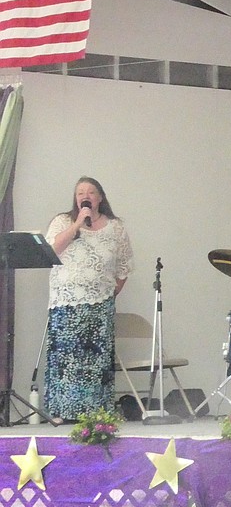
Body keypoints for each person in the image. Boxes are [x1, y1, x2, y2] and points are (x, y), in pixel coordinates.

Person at [44, 177, 134, 421]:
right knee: (67, 358)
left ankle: (95, 412)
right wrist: (76, 226)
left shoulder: (115, 227)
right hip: (67, 302)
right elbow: (50, 251)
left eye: (91, 192)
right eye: (81, 192)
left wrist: (110, 291)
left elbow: (124, 265)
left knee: (95, 361)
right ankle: (63, 411)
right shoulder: (62, 221)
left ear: (100, 198)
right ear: (76, 198)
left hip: (100, 303)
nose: (86, 195)